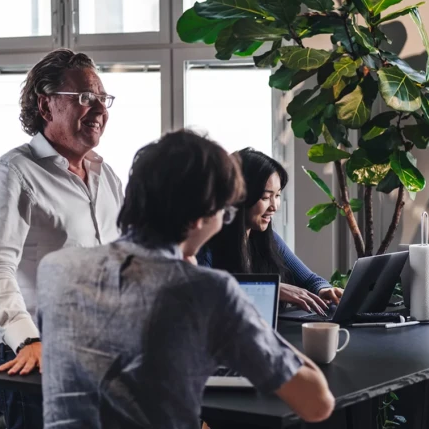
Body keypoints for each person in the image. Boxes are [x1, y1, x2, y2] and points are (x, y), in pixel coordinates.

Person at [37, 130, 335, 427]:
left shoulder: (57, 269)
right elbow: (317, 403)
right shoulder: (206, 290)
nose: (225, 220)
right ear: (200, 216)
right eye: (224, 210)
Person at [0, 49, 124, 429]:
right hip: (39, 356)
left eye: (103, 99)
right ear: (46, 103)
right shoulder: (13, 174)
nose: (99, 110)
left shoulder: (108, 178)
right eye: (85, 98)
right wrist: (26, 340)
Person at [197, 148, 343, 316]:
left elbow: (311, 280)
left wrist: (324, 289)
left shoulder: (268, 239)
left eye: (278, 195)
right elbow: (203, 293)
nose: (274, 206)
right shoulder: (206, 245)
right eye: (265, 197)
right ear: (238, 196)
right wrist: (267, 288)